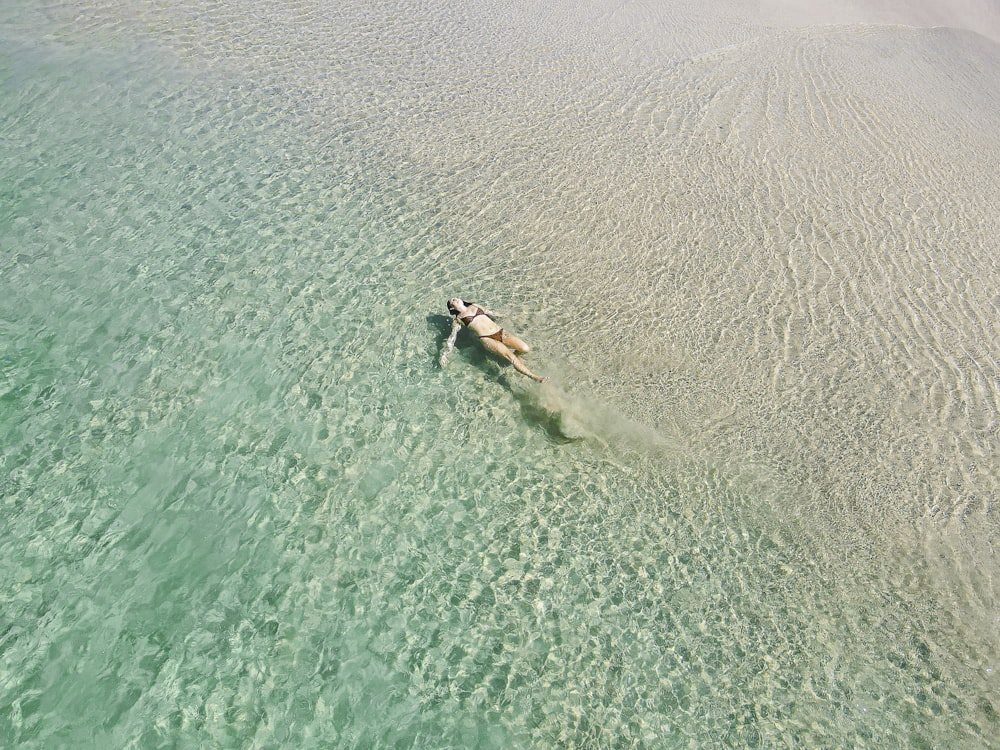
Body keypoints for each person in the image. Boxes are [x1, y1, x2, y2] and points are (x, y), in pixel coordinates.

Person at [440, 298, 548, 382]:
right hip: (487, 339)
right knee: (512, 358)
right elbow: (452, 338)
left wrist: (508, 316)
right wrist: (444, 355)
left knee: (525, 348)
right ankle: (535, 377)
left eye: (455, 298)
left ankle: (515, 358)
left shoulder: (475, 306)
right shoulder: (458, 320)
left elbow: (490, 313)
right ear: (452, 308)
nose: (455, 299)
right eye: (452, 300)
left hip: (501, 332)